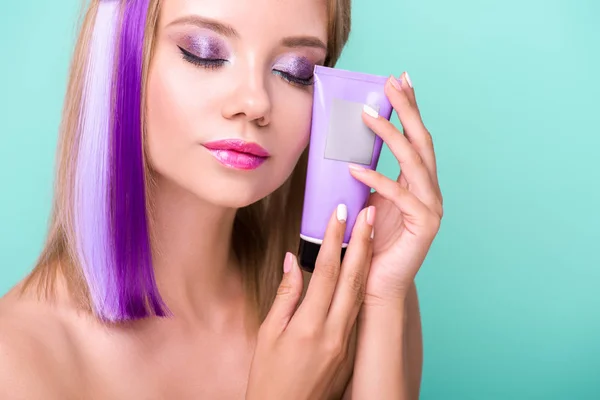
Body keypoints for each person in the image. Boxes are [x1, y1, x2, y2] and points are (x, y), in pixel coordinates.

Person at [0, 0, 443, 398]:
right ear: (119, 59)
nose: (254, 102)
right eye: (204, 52)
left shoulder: (359, 298)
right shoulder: (16, 360)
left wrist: (383, 299)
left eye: (295, 70)